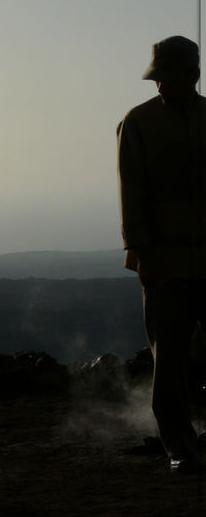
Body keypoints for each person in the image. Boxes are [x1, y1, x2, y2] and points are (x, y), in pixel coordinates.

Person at [117, 35, 206, 474]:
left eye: (167, 78)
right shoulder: (137, 124)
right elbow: (131, 194)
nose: (159, 86)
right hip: (164, 264)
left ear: (193, 76)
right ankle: (181, 448)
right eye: (157, 78)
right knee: (167, 361)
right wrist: (139, 252)